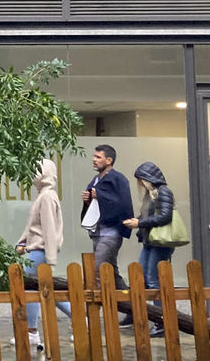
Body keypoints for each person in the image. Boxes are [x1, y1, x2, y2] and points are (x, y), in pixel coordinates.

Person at [15, 158, 71, 350]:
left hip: (40, 251)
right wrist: (22, 242)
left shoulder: (46, 197)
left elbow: (48, 228)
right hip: (38, 249)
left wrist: (51, 259)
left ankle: (32, 332)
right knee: (47, 290)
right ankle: (81, 316)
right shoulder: (45, 195)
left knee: (29, 288)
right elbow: (34, 226)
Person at [80, 144, 134, 324]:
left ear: (109, 160)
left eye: (98, 157)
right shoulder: (95, 180)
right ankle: (133, 309)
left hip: (111, 232)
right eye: (94, 157)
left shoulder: (118, 179)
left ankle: (91, 316)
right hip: (98, 231)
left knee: (96, 269)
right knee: (111, 272)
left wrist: (99, 196)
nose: (94, 160)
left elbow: (122, 203)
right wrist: (88, 199)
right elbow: (94, 203)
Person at [123, 161, 176, 338]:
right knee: (142, 278)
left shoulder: (163, 192)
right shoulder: (151, 195)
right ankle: (141, 315)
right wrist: (136, 221)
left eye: (140, 180)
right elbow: (150, 215)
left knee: (153, 281)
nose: (138, 184)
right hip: (150, 241)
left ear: (147, 179)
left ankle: (161, 322)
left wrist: (139, 223)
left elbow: (165, 217)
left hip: (161, 243)